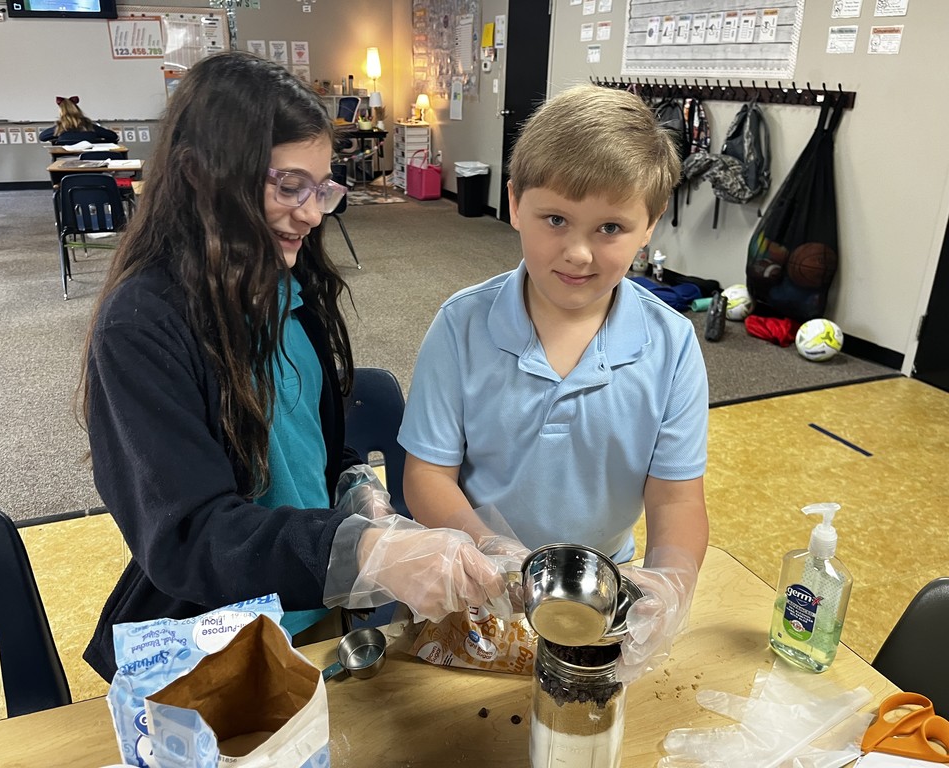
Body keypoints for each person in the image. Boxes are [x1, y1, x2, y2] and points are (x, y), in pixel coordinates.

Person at [78, 52, 511, 683]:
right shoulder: (143, 326)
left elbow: (308, 441)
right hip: (213, 637)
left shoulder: (291, 286)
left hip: (313, 612)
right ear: (203, 176)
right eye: (289, 187)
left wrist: (355, 493)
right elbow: (189, 534)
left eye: (323, 187)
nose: (313, 213)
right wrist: (362, 548)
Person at [398, 85, 710, 682]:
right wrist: (493, 554)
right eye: (556, 219)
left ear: (649, 228)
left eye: (611, 227)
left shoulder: (670, 346)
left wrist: (670, 585)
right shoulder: (462, 326)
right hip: (470, 582)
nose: (578, 253)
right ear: (514, 203)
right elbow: (427, 475)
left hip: (601, 592)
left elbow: (676, 498)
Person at [38, 96, 119, 145]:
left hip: (64, 169)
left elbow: (42, 137)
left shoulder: (59, 129)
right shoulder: (90, 127)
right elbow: (113, 136)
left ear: (61, 113)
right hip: (92, 166)